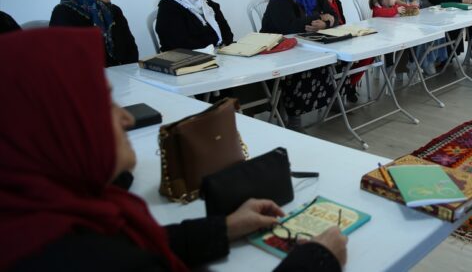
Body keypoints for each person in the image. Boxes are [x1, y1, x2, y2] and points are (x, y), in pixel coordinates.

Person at [0, 27, 348, 272]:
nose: (125, 118)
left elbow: (137, 244)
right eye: (103, 105)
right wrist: (318, 260)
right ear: (54, 130)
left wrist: (223, 227)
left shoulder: (45, 223)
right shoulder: (87, 259)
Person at [261, 0, 336, 131]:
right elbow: (290, 27)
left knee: (327, 60)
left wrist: (326, 23)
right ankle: (294, 118)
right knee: (300, 69)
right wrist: (318, 17)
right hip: (276, 50)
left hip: (304, 44)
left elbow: (333, 15)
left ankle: (329, 103)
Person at [50, 0, 138, 67]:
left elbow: (131, 50)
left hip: (122, 76)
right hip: (85, 78)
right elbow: (66, 59)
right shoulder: (64, 12)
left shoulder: (114, 11)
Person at [315, 0, 372, 104]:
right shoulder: (318, 3)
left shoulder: (337, 2)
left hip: (342, 38)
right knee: (348, 59)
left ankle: (349, 84)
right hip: (329, 42)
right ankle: (341, 88)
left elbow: (341, 24)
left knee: (369, 54)